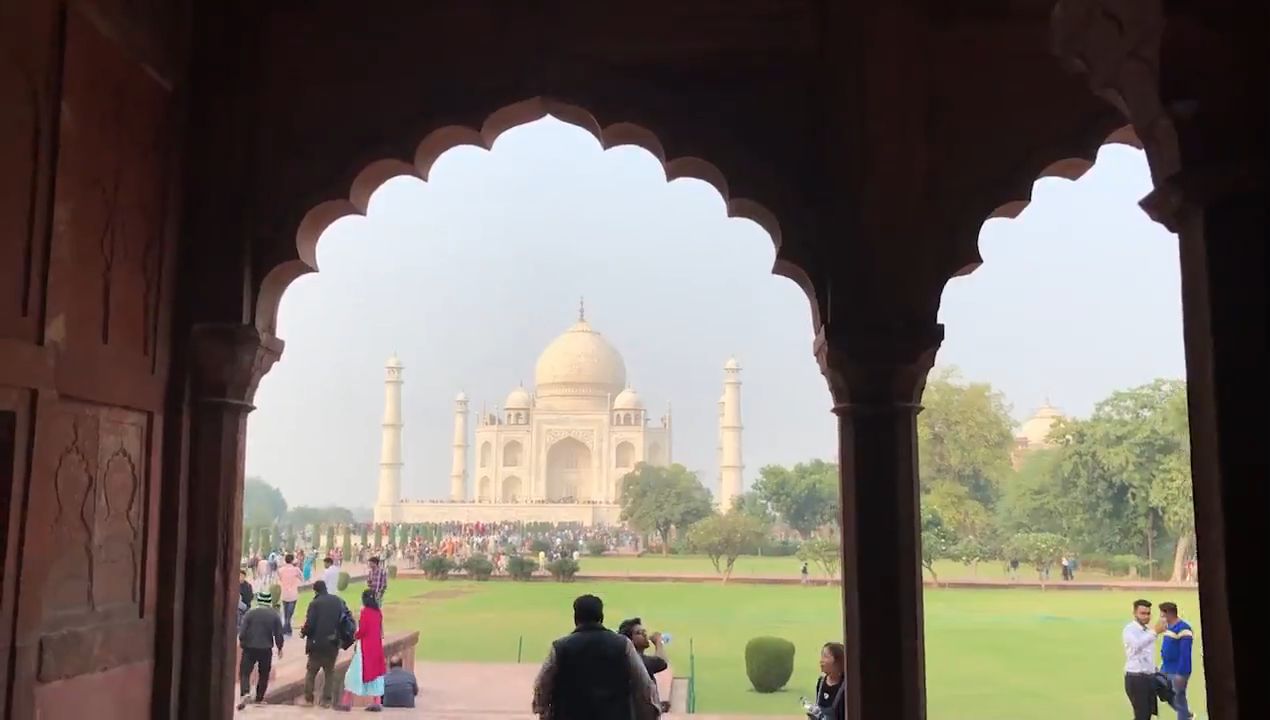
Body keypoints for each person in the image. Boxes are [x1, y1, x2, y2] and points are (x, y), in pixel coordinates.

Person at [532, 594, 659, 720]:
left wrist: (542, 710)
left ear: (576, 618)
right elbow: (644, 684)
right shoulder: (623, 644)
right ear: (601, 617)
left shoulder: (560, 647)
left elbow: (542, 684)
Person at [339, 589, 387, 711]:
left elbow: (363, 631)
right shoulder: (378, 612)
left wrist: (355, 635)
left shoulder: (365, 612)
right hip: (376, 647)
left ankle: (346, 702)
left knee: (353, 673)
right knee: (376, 674)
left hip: (365, 648)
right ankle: (376, 701)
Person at [300, 580, 345, 708]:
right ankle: (326, 700)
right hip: (332, 642)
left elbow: (310, 624)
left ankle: (309, 699)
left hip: (317, 643)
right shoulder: (337, 601)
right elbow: (342, 620)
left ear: (315, 590)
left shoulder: (315, 603)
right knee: (329, 672)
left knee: (311, 671)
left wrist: (303, 632)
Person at [237, 590, 284, 709]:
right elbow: (278, 634)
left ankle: (245, 692)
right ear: (269, 601)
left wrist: (242, 642)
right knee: (264, 674)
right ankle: (259, 697)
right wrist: (280, 647)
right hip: (266, 648)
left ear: (258, 600)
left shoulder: (250, 613)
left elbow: (242, 632)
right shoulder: (274, 615)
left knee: (245, 672)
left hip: (249, 647)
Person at [1123, 598, 1160, 720]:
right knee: (1141, 715)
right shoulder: (1129, 630)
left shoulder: (1148, 631)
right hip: (1136, 678)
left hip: (1148, 678)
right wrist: (1155, 632)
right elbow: (1136, 646)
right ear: (1135, 613)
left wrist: (1156, 671)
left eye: (1148, 613)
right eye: (1142, 613)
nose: (1146, 617)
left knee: (1148, 714)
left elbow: (1148, 655)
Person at [1158, 601, 1195, 720]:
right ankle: (1186, 714)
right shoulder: (1169, 627)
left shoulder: (1184, 629)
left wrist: (1181, 674)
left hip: (1177, 671)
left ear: (1169, 614)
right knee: (1163, 690)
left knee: (1179, 697)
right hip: (1166, 668)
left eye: (1162, 615)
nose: (1161, 618)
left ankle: (1184, 717)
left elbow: (1185, 654)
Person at [807, 642, 845, 719]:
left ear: (838, 661)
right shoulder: (821, 682)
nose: (821, 661)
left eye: (825, 656)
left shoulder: (847, 686)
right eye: (821, 656)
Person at [278, 553, 303, 636]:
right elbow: (302, 578)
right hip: (293, 594)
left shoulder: (281, 570)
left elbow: (280, 579)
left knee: (285, 612)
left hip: (284, 593)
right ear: (292, 560)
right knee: (290, 612)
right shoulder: (296, 570)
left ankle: (286, 627)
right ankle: (287, 627)